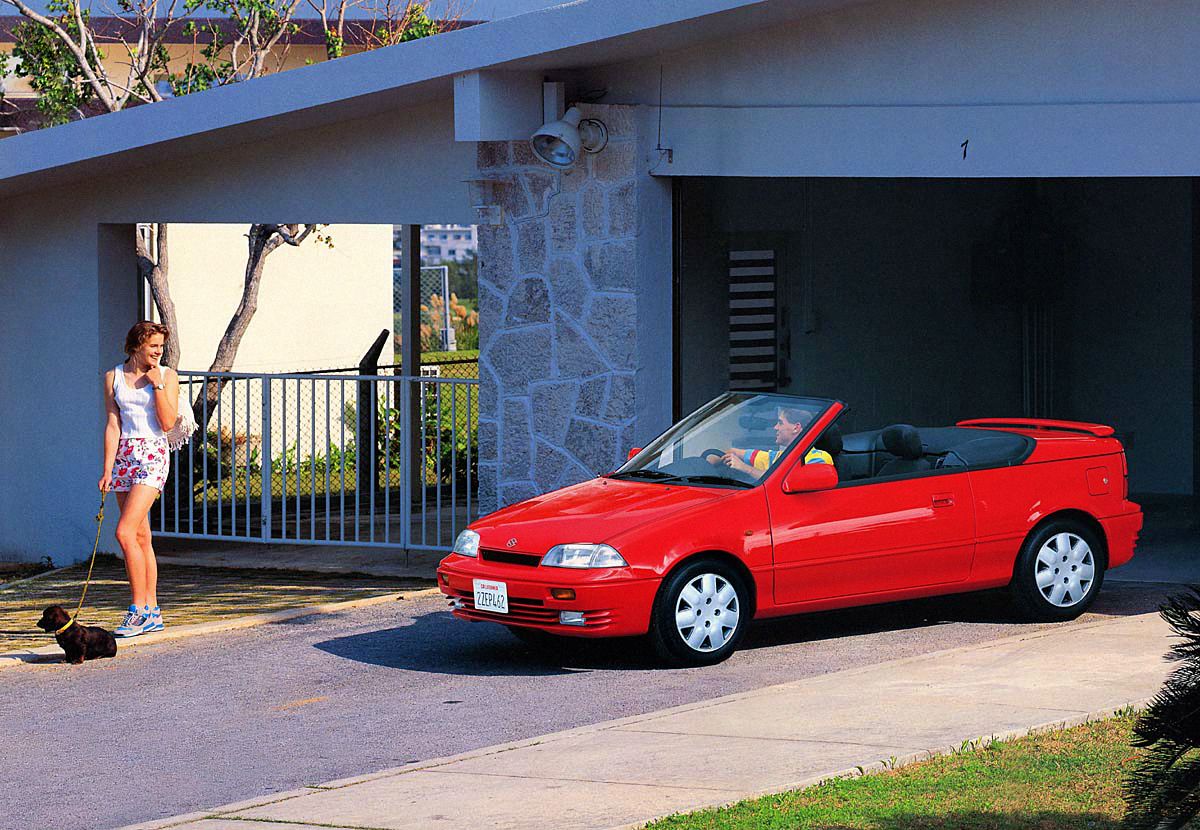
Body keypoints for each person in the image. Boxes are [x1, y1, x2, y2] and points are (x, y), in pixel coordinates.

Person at [99, 322, 180, 637]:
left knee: (124, 533)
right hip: (124, 456)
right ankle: (153, 610)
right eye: (153, 346)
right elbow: (112, 424)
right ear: (136, 345)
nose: (158, 351)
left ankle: (138, 610)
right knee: (141, 538)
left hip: (152, 455)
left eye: (161, 346)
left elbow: (168, 422)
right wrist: (107, 468)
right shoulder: (113, 377)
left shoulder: (167, 376)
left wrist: (158, 384)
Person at [711, 406, 833, 479]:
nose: (775, 427)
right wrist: (711, 463)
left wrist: (745, 468)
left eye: (780, 423)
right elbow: (734, 452)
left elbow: (786, 483)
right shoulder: (776, 456)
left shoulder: (818, 458)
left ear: (796, 427)